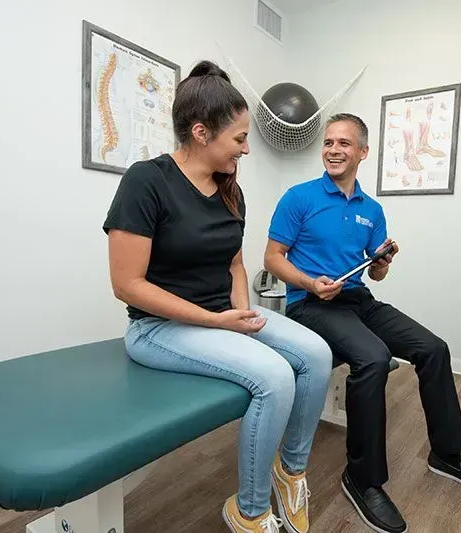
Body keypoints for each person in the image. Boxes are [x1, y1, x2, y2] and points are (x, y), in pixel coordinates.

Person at [103, 60, 332, 533]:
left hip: (220, 317)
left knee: (316, 352)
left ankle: (290, 473)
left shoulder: (231, 191)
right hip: (158, 329)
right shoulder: (147, 181)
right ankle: (249, 512)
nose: (247, 149)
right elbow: (127, 285)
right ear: (202, 132)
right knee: (274, 376)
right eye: (240, 139)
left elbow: (233, 264)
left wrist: (239, 311)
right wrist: (218, 322)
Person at [264, 113, 461, 533]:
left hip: (357, 298)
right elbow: (272, 258)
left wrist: (382, 263)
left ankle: (446, 454)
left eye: (344, 144)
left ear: (363, 152)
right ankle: (362, 478)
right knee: (373, 358)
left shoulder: (371, 210)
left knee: (433, 348)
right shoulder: (298, 197)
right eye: (329, 143)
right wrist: (308, 283)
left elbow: (374, 274)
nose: (334, 150)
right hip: (311, 303)